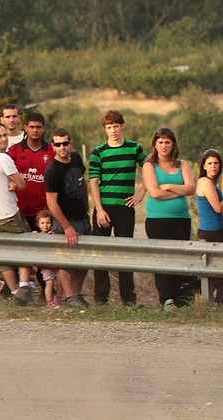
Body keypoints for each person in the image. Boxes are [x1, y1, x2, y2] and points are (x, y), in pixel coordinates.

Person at [89, 110, 147, 306]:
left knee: (125, 253)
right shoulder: (99, 151)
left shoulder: (134, 148)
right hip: (104, 208)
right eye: (108, 127)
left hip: (125, 208)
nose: (113, 130)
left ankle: (128, 299)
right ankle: (101, 298)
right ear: (105, 129)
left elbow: (149, 168)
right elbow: (94, 182)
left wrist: (141, 193)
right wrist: (99, 209)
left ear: (122, 126)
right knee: (100, 253)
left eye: (115, 126)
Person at [0, 122, 33, 305]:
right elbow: (23, 183)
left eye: (4, 135)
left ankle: (15, 290)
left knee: (2, 256)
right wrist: (15, 183)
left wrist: (11, 183)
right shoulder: (4, 159)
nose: (3, 139)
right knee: (26, 247)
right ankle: (24, 286)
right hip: (7, 214)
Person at [142, 128, 195, 310]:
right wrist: (179, 192)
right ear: (155, 145)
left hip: (181, 219)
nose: (164, 146)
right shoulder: (149, 166)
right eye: (160, 142)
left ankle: (178, 297)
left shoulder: (183, 164)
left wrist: (170, 185)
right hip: (158, 220)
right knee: (163, 259)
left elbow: (191, 188)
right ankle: (166, 299)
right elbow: (155, 193)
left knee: (179, 258)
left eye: (167, 142)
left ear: (173, 144)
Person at [44, 128, 91, 308]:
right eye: (58, 144)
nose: (62, 147)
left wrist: (87, 209)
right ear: (53, 146)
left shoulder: (77, 159)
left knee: (84, 260)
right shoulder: (52, 170)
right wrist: (66, 227)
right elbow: (52, 203)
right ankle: (69, 297)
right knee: (67, 261)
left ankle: (77, 295)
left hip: (82, 218)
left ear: (70, 143)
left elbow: (82, 183)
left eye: (65, 143)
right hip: (66, 221)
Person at [7, 112, 54, 229]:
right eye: (32, 127)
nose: (35, 130)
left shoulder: (51, 151)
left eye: (38, 127)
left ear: (44, 129)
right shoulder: (15, 150)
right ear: (26, 128)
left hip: (44, 214)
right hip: (18, 211)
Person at [195, 149, 223, 303]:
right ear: (204, 166)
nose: (213, 166)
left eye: (216, 163)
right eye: (210, 163)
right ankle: (218, 302)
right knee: (217, 271)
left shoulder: (213, 183)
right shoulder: (204, 182)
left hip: (218, 229)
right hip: (212, 231)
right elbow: (218, 208)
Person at [32, 210, 60, 308]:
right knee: (49, 282)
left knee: (60, 281)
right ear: (38, 224)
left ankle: (58, 298)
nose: (45, 225)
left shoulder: (54, 234)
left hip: (56, 263)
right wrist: (33, 236)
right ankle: (49, 301)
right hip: (45, 265)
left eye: (48, 223)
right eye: (42, 223)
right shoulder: (37, 235)